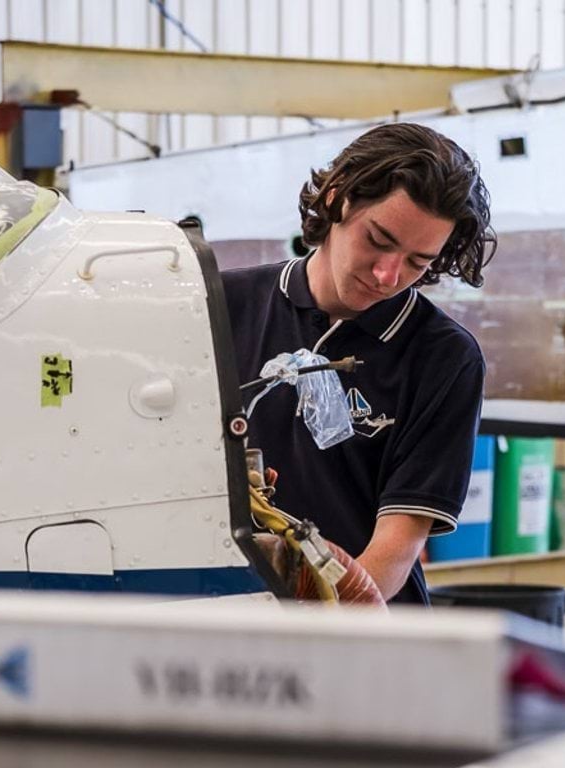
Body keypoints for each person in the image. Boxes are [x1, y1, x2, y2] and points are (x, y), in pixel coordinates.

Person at [219, 123, 495, 604]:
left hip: (364, 631)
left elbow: (396, 546)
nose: (389, 275)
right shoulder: (222, 306)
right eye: (379, 239)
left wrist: (321, 626)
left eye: (418, 261)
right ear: (337, 198)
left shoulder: (444, 358)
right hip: (232, 616)